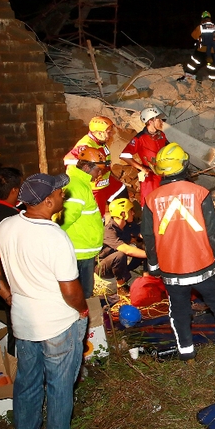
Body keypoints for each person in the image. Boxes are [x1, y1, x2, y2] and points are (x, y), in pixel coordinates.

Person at [0, 173, 88, 429]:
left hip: (24, 324)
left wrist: (7, 294)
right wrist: (82, 309)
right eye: (59, 193)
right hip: (58, 324)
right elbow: (70, 291)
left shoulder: (6, 226)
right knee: (59, 388)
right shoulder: (55, 237)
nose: (62, 195)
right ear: (47, 201)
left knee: (27, 383)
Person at [142, 143, 215, 362]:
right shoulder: (199, 192)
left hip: (171, 269)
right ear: (183, 165)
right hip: (201, 263)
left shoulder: (151, 199)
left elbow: (148, 236)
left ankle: (186, 351)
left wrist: (153, 265)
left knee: (178, 310)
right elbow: (212, 230)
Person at [61, 146, 106, 299]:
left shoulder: (81, 183)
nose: (99, 174)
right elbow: (64, 219)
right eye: (97, 170)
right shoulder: (76, 186)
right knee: (83, 295)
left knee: (83, 293)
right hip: (79, 251)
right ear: (86, 167)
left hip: (83, 249)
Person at [64, 115, 128, 215]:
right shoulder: (85, 145)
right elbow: (68, 160)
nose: (112, 134)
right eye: (109, 132)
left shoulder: (101, 142)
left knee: (121, 192)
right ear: (99, 133)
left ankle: (121, 224)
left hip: (106, 182)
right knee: (98, 216)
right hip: (95, 188)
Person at [0, 167, 22, 355]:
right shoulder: (12, 220)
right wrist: (9, 296)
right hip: (6, 289)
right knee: (17, 332)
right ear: (14, 191)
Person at [120, 106, 170, 206]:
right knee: (150, 203)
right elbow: (124, 155)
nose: (162, 122)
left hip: (164, 175)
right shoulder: (140, 138)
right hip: (150, 177)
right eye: (159, 119)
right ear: (150, 121)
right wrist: (142, 168)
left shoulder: (161, 135)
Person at [97, 198, 146, 291]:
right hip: (104, 267)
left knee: (143, 248)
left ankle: (146, 275)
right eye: (131, 211)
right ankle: (121, 285)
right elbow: (126, 250)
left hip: (120, 263)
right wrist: (151, 255)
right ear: (123, 214)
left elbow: (144, 235)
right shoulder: (108, 231)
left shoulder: (128, 225)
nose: (133, 213)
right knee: (120, 254)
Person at [180, 11, 215, 82]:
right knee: (212, 67)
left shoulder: (201, 27)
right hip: (212, 51)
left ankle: (187, 78)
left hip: (201, 50)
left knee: (193, 64)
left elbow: (193, 36)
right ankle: (214, 82)